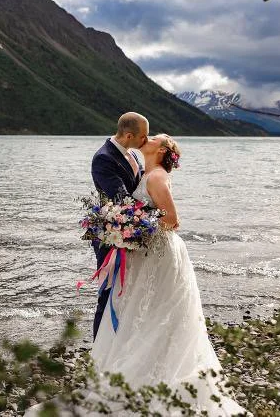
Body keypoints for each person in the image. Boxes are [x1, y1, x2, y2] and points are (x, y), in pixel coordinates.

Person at [88, 134, 246, 415]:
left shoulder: (157, 177)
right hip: (147, 252)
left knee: (159, 307)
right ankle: (137, 360)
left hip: (160, 253)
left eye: (154, 137)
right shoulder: (144, 170)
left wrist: (135, 224)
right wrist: (131, 226)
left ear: (161, 150)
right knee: (144, 307)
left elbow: (172, 219)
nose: (146, 138)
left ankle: (156, 368)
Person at [89, 112, 149, 340]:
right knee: (108, 290)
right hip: (111, 233)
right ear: (129, 135)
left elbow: (138, 186)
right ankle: (99, 349)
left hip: (129, 229)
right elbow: (121, 198)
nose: (146, 140)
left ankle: (121, 342)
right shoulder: (104, 158)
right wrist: (154, 214)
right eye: (143, 136)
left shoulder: (132, 153)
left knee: (127, 290)